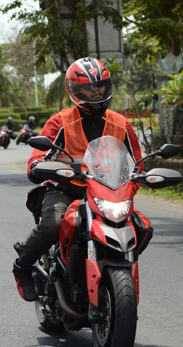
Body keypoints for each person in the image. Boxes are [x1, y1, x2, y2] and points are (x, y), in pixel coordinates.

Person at [11, 57, 144, 301]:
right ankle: (22, 265)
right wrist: (39, 166)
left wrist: (129, 188)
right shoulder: (60, 121)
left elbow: (137, 166)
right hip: (67, 189)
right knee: (54, 222)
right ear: (74, 91)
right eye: (88, 88)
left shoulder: (121, 123)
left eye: (99, 86)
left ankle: (111, 268)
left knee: (142, 227)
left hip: (106, 192)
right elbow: (36, 158)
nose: (95, 92)